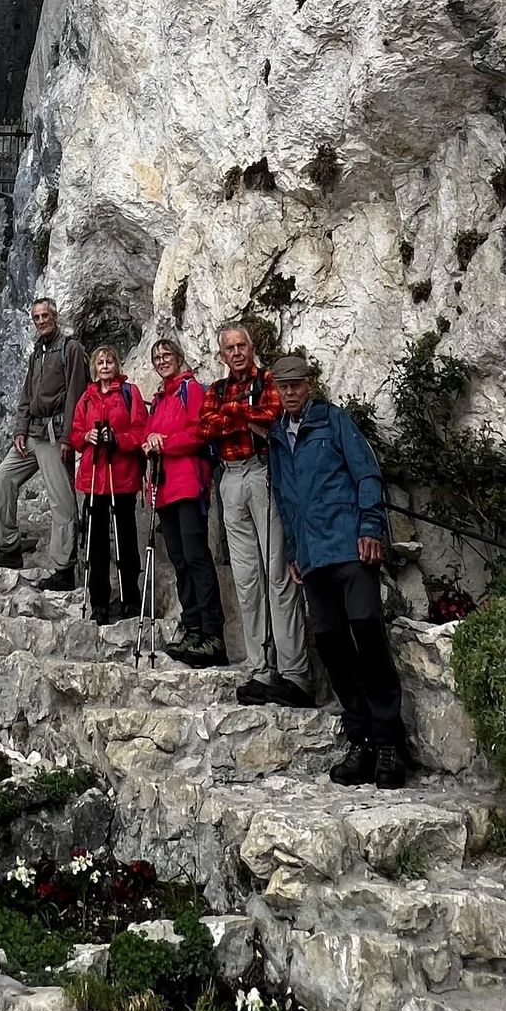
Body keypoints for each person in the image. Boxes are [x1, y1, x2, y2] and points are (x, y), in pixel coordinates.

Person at [266, 353, 411, 788]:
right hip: (311, 558)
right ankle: (361, 738)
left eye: (296, 385)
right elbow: (285, 502)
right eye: (282, 387)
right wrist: (294, 551)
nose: (289, 393)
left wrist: (370, 527)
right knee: (330, 642)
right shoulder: (276, 438)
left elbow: (367, 474)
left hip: (349, 546)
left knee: (367, 630)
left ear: (309, 384)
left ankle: (389, 743)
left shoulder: (333, 422)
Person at [201, 322, 312, 705]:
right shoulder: (215, 389)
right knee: (247, 580)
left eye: (241, 345)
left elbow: (270, 413)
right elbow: (205, 427)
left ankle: (294, 673)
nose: (236, 352)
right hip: (230, 479)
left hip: (262, 473)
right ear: (222, 354)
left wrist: (235, 418)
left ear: (251, 348)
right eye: (229, 347)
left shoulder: (267, 380)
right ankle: (261, 669)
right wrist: (242, 415)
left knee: (277, 573)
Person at [141, 335, 227, 665]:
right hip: (165, 489)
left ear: (178, 357)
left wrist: (164, 442)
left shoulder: (192, 390)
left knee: (196, 556)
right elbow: (149, 437)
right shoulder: (161, 398)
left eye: (167, 355)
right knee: (179, 559)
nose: (162, 360)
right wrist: (149, 445)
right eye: (157, 357)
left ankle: (213, 635)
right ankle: (192, 627)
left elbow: (200, 432)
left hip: (189, 484)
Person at [0, 296, 85, 589]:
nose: (41, 321)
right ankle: (9, 548)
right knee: (3, 477)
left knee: (62, 501)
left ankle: (63, 567)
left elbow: (76, 396)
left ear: (55, 317)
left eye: (45, 316)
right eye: (36, 317)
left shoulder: (71, 349)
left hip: (56, 436)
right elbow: (27, 395)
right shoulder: (38, 352)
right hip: (32, 434)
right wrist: (20, 430)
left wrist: (70, 436)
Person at [71, 343, 146, 626]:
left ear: (117, 366)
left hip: (122, 476)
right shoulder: (87, 399)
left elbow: (140, 430)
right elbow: (76, 433)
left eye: (109, 361)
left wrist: (117, 438)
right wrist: (87, 437)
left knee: (126, 540)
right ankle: (98, 601)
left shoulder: (129, 394)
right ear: (94, 368)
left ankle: (131, 598)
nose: (104, 365)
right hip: (94, 478)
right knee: (96, 543)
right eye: (100, 361)